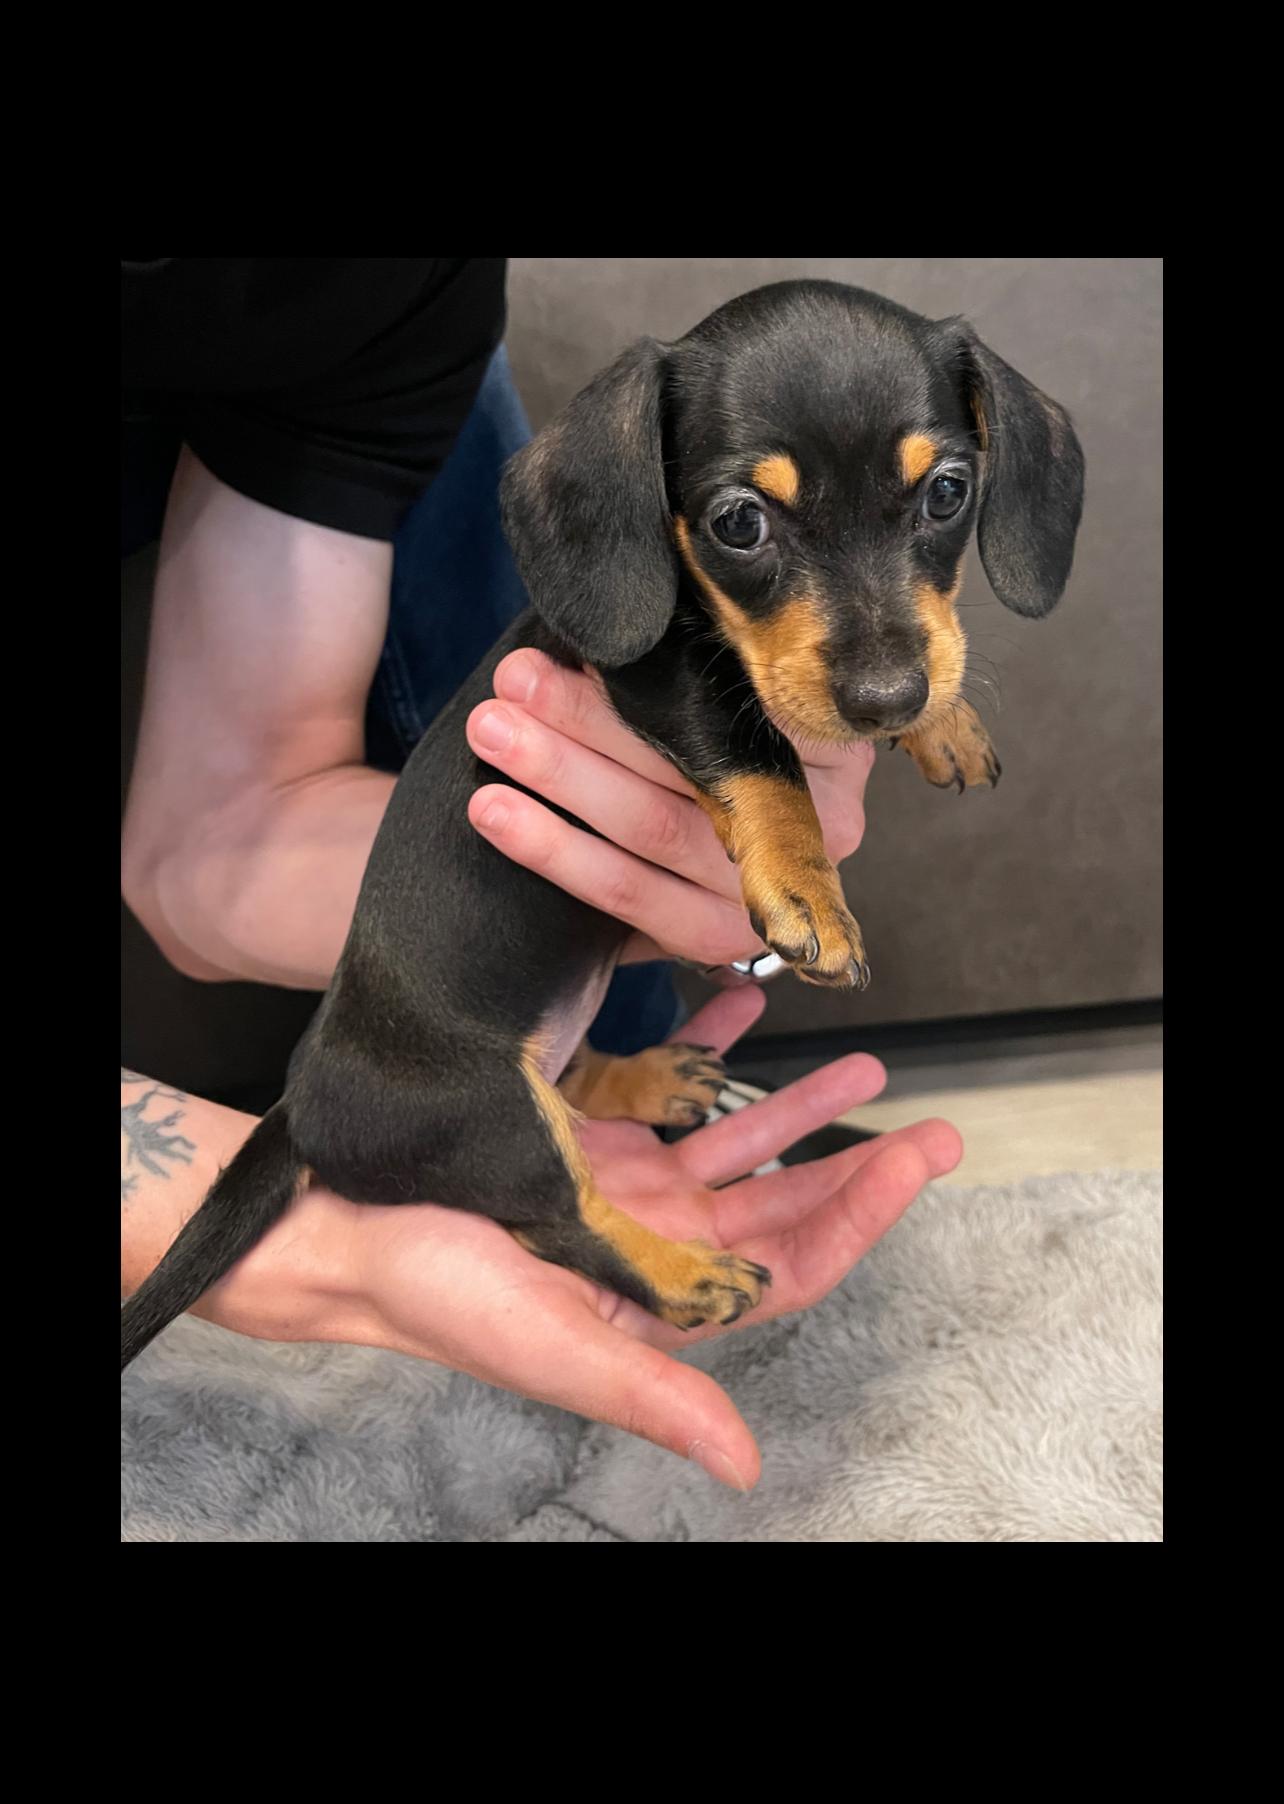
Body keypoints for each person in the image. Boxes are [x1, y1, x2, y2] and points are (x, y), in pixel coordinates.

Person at [120, 258, 960, 1486]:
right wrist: (321, 1257)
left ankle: (608, 1074)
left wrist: (617, 873)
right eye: (745, 518)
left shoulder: (380, 282)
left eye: (941, 495)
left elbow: (217, 836)